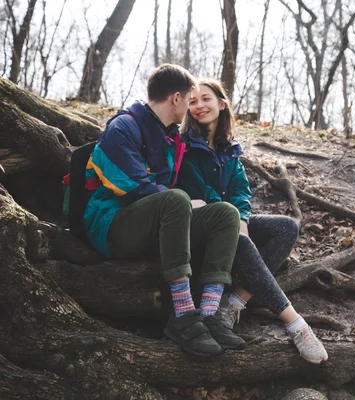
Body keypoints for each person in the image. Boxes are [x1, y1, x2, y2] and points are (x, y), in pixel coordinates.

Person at [83, 64, 245, 357]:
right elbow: (134, 187)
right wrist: (182, 200)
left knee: (225, 214)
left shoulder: (171, 137)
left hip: (154, 223)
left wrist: (205, 202)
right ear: (176, 98)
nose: (192, 107)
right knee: (177, 199)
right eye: (190, 99)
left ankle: (209, 314)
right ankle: (183, 315)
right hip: (111, 224)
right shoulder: (123, 128)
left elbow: (180, 188)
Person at [177, 78, 329, 364]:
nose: (199, 105)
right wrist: (234, 220)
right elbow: (198, 190)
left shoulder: (229, 148)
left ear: (222, 104)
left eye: (206, 99)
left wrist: (242, 218)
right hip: (200, 226)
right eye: (193, 101)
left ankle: (233, 304)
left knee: (286, 227)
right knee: (239, 239)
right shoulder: (184, 146)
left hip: (230, 220)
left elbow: (241, 191)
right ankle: (296, 325)